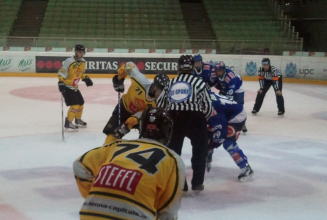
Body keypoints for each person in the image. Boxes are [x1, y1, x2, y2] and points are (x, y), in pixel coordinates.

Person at [73, 107, 185, 220]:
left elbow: (79, 165)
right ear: (168, 131)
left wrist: (97, 195)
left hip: (91, 214)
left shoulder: (117, 145)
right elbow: (168, 212)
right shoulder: (172, 159)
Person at [164, 55, 212, 193]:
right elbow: (208, 107)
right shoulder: (201, 83)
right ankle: (197, 183)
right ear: (192, 67)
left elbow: (161, 104)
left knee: (174, 152)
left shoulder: (170, 83)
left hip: (174, 119)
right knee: (200, 151)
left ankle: (180, 184)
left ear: (178, 67)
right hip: (195, 119)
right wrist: (201, 119)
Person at [103, 62, 170, 145]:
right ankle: (107, 149)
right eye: (160, 91)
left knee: (150, 134)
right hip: (124, 107)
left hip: (140, 117)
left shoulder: (158, 102)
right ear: (154, 86)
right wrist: (119, 79)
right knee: (112, 134)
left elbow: (141, 114)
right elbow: (128, 65)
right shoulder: (140, 81)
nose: (161, 94)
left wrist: (127, 125)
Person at [207, 92, 254, 181]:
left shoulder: (211, 106)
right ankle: (207, 157)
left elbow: (221, 131)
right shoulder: (204, 97)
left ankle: (246, 169)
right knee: (208, 136)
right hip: (225, 114)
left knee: (228, 143)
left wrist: (211, 145)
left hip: (237, 115)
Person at [58, 44, 93, 131]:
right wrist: (61, 82)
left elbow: (80, 73)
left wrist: (85, 78)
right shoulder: (69, 61)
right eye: (80, 52)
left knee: (81, 104)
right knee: (75, 105)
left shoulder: (83, 62)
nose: (82, 54)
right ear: (76, 52)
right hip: (67, 87)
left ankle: (77, 120)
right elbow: (61, 72)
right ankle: (68, 122)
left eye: (83, 52)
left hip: (75, 87)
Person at [213, 61, 247, 133]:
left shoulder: (231, 78)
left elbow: (229, 98)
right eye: (217, 71)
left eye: (220, 70)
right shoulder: (215, 75)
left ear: (224, 70)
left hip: (238, 88)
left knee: (238, 105)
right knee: (220, 104)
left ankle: (242, 123)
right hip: (225, 87)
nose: (218, 72)